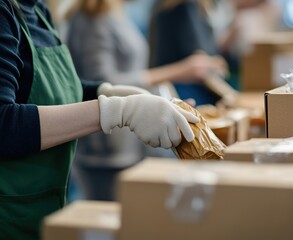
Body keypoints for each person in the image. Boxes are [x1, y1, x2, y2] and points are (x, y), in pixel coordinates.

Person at [0, 0, 199, 239]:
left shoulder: (38, 11)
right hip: (9, 214)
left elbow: (60, 88)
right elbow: (4, 125)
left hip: (46, 205)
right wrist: (119, 111)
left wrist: (108, 92)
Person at [64, 0, 227, 201]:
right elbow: (101, 81)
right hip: (104, 145)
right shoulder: (92, 18)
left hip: (126, 138)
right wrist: (179, 71)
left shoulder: (117, 13)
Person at [150, 0, 232, 106]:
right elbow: (198, 59)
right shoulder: (184, 6)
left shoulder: (189, 7)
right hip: (182, 88)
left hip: (175, 85)